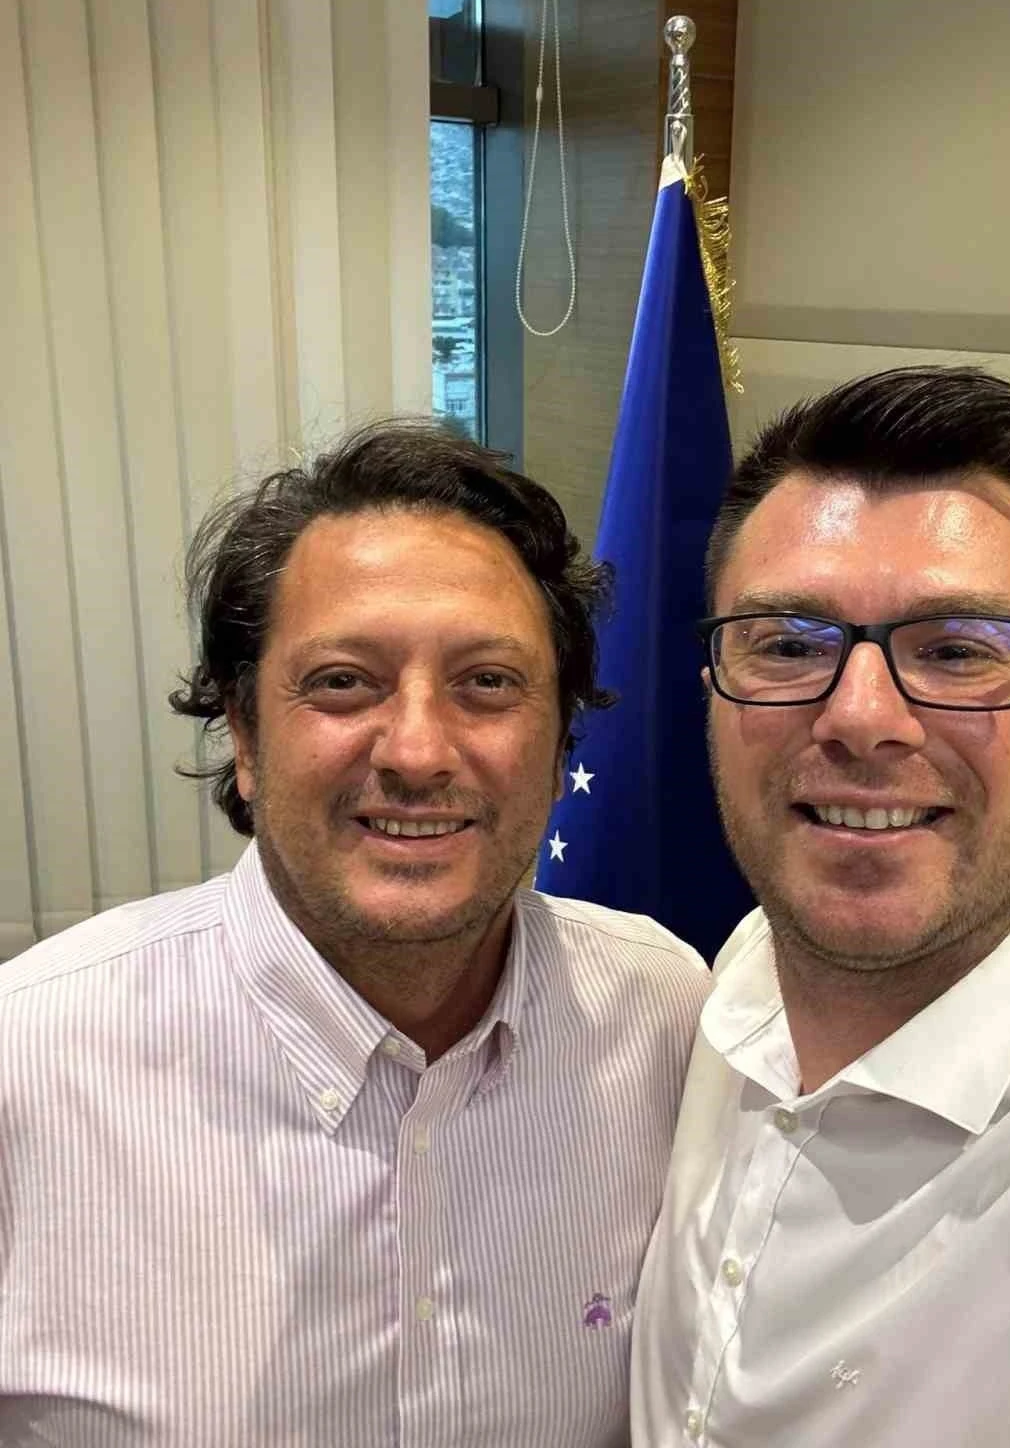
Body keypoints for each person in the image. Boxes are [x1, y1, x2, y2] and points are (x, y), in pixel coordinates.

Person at [0, 420, 710, 1447]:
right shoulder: (25, 1066)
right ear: (245, 735)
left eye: (488, 682)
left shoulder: (666, 1016)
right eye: (342, 681)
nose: (417, 752)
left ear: (561, 747)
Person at [632, 367, 1010, 1447]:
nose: (860, 717)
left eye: (957, 651)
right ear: (714, 699)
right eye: (788, 644)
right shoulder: (739, 972)